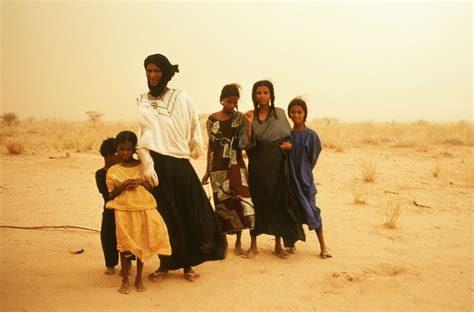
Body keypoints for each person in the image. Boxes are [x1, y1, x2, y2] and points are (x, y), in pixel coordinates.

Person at [136, 53, 226, 283]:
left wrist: (193, 148)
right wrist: (147, 164)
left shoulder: (181, 97)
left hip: (179, 163)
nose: (153, 75)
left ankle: (188, 265)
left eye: (157, 70)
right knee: (165, 218)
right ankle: (165, 264)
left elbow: (193, 124)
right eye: (149, 70)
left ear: (165, 73)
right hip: (157, 166)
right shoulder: (141, 100)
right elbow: (143, 135)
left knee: (191, 214)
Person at [239, 79, 305, 259]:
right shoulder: (249, 115)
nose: (262, 96)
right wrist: (250, 124)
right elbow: (245, 143)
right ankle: (253, 245)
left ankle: (278, 245)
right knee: (256, 200)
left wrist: (288, 146)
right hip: (258, 161)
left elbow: (288, 137)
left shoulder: (280, 113)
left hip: (276, 161)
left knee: (278, 200)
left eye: (265, 92)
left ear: (271, 95)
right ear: (254, 95)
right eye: (258, 93)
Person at [105, 131, 171, 294]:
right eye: (121, 149)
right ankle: (125, 279)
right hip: (123, 211)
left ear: (134, 149)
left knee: (141, 243)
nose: (125, 153)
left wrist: (141, 182)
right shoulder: (112, 170)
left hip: (143, 209)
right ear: (117, 149)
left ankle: (138, 277)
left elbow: (152, 187)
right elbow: (110, 195)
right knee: (125, 246)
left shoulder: (144, 167)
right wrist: (123, 186)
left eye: (128, 149)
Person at [201, 83, 255, 255]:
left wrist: (249, 125)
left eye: (235, 102)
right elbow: (211, 146)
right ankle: (223, 241)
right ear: (221, 100)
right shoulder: (212, 119)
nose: (232, 105)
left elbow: (244, 143)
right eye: (229, 102)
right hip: (217, 165)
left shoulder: (240, 118)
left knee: (238, 200)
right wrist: (207, 170)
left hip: (235, 164)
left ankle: (239, 242)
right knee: (221, 203)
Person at [286, 97, 332, 258]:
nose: (296, 115)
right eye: (293, 112)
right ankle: (291, 244)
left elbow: (313, 157)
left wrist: (304, 172)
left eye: (299, 112)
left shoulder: (311, 135)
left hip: (305, 181)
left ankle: (323, 247)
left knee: (312, 211)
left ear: (304, 114)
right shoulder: (287, 135)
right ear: (289, 114)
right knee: (291, 212)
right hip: (290, 180)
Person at [95, 138, 119, 275]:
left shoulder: (122, 170)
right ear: (109, 156)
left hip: (125, 207)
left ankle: (127, 262)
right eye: (117, 153)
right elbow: (107, 193)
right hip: (110, 208)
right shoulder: (101, 174)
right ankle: (110, 264)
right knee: (108, 235)